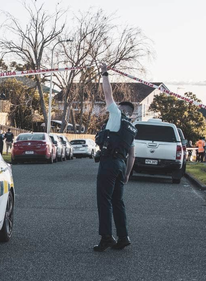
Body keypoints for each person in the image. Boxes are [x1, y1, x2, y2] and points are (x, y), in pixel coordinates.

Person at [93, 63, 137, 252]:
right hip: (120, 165)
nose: (113, 106)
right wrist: (126, 174)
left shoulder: (116, 115)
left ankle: (106, 237)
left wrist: (104, 73)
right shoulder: (132, 128)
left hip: (109, 163)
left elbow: (107, 93)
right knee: (118, 202)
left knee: (104, 200)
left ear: (120, 109)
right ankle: (123, 237)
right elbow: (132, 155)